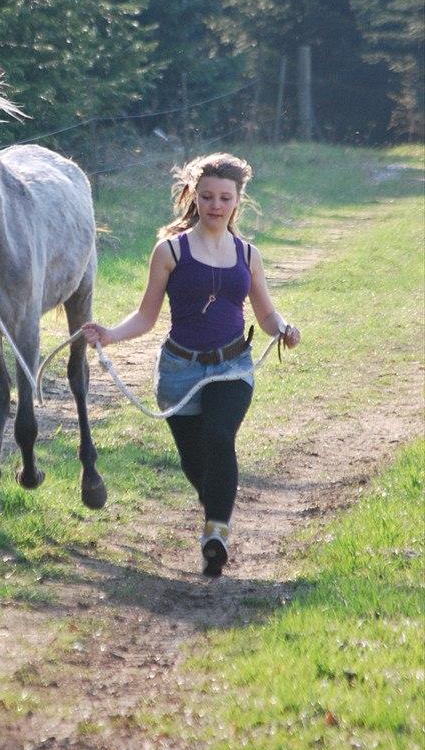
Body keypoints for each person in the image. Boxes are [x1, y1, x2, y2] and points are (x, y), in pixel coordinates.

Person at [82, 152, 301, 577]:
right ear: (193, 198)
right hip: (180, 370)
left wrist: (284, 329)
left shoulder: (248, 254)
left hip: (232, 365)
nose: (216, 205)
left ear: (238, 201)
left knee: (220, 437)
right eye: (208, 197)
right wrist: (109, 333)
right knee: (194, 461)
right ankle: (217, 507)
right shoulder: (170, 252)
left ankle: (216, 533)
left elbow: (266, 313)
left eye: (224, 197)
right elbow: (146, 316)